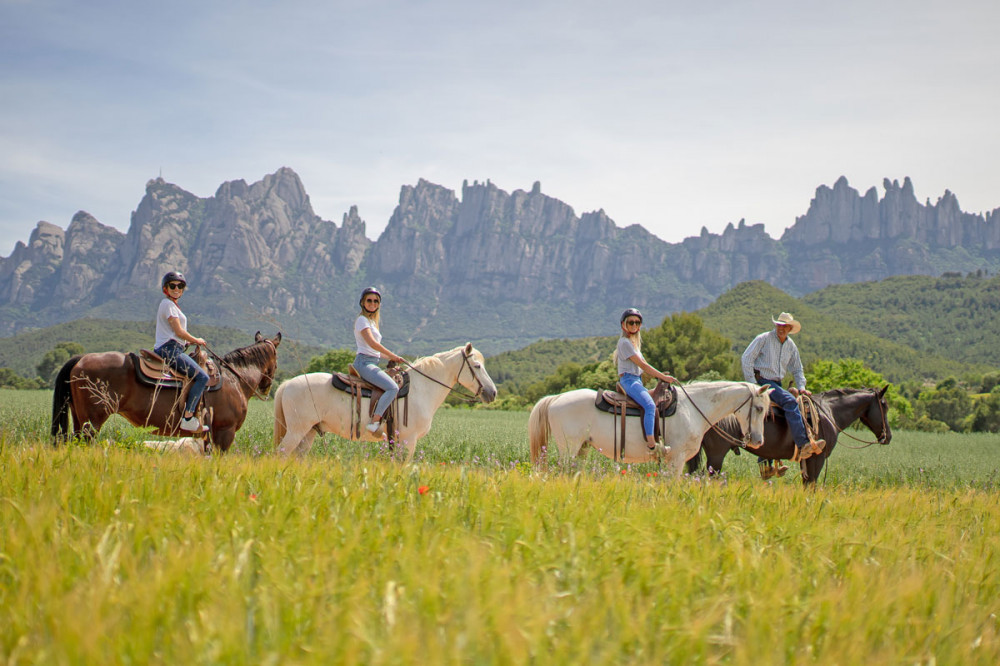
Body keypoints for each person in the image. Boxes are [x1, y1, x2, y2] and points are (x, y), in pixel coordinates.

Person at [741, 312, 825, 474]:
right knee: (791, 402)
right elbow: (747, 358)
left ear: (790, 328)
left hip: (777, 383)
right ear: (776, 326)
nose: (781, 328)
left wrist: (801, 387)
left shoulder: (791, 346)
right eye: (779, 325)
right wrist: (753, 384)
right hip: (763, 381)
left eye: (785, 326)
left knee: (777, 412)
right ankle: (802, 444)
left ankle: (766, 464)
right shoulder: (763, 339)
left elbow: (797, 368)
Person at [614, 308, 677, 452]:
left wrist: (662, 378)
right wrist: (663, 377)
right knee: (649, 406)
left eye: (637, 322)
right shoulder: (624, 343)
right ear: (623, 325)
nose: (634, 325)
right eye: (631, 322)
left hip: (637, 381)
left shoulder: (634, 345)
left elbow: (645, 367)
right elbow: (643, 365)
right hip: (629, 381)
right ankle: (652, 445)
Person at [153, 271, 209, 432]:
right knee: (202, 377)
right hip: (169, 350)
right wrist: (196, 340)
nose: (177, 289)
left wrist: (190, 341)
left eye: (180, 286)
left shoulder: (172, 305)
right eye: (173, 286)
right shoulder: (167, 305)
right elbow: (178, 331)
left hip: (174, 347)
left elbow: (177, 335)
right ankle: (188, 417)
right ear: (166, 288)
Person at [353, 287, 405, 434]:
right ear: (363, 302)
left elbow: (375, 351)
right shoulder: (362, 320)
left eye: (376, 301)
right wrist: (393, 355)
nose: (372, 303)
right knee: (393, 388)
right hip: (364, 363)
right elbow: (372, 344)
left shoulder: (371, 322)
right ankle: (374, 422)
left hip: (371, 362)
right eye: (369, 300)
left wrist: (393, 358)